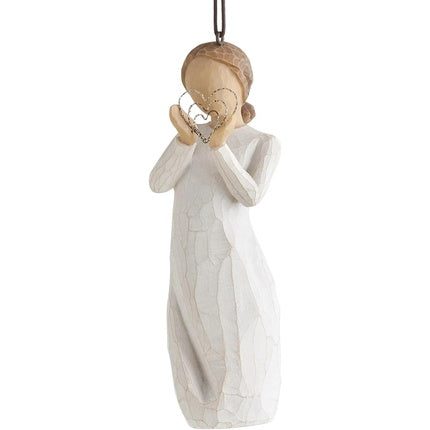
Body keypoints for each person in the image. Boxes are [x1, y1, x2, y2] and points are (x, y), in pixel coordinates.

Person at [149, 41, 282, 428]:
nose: (206, 102)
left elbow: (250, 194)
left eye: (216, 90)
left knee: (237, 346)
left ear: (241, 87)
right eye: (197, 94)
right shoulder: (191, 139)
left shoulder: (262, 143)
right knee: (193, 340)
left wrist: (220, 147)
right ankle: (204, 411)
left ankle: (246, 409)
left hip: (234, 268)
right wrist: (185, 141)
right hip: (188, 263)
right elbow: (158, 183)